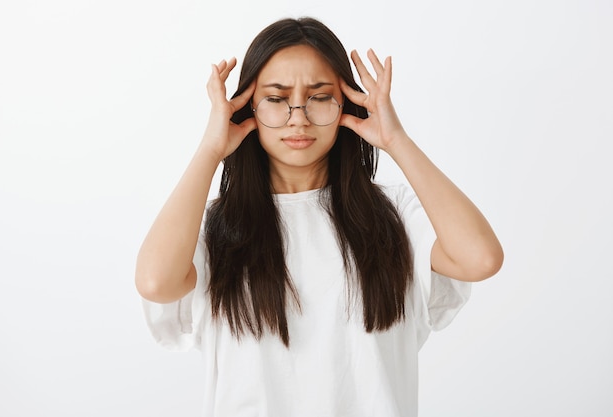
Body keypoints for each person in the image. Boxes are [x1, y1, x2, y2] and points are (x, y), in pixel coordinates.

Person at [135, 16, 503, 417]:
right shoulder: (212, 228)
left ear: (346, 101)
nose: (299, 117)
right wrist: (210, 149)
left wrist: (397, 140)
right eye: (276, 99)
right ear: (247, 108)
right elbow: (156, 282)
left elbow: (480, 258)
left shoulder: (395, 215)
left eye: (319, 96)